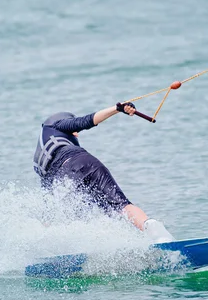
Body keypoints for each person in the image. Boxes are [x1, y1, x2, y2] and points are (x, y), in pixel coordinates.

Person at [33, 101, 175, 243]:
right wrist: (117, 108)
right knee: (121, 206)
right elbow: (86, 121)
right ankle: (157, 233)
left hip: (65, 178)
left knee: (78, 216)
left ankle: (118, 245)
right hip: (85, 162)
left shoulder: (42, 162)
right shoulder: (56, 125)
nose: (76, 135)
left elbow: (49, 203)